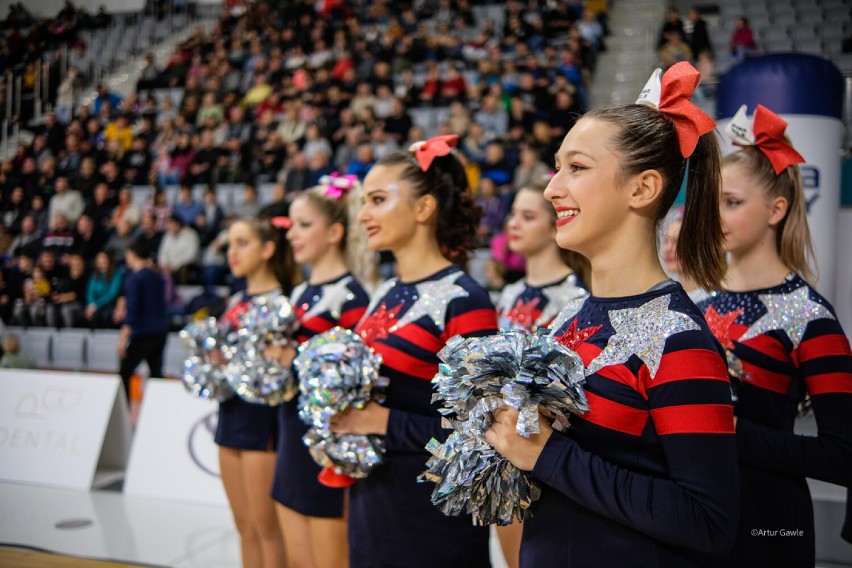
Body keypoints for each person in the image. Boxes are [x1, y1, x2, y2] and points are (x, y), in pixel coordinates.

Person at [486, 62, 739, 567]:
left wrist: (547, 455)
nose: (553, 188)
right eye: (558, 168)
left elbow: (709, 521)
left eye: (576, 168)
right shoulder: (568, 315)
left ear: (642, 189)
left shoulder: (677, 337)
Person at [329, 134, 499, 567]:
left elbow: (485, 435)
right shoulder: (386, 290)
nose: (364, 214)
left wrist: (383, 421)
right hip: (372, 504)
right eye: (364, 201)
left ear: (424, 208)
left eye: (378, 199)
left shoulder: (465, 299)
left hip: (431, 520)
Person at [700, 104, 852, 568]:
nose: (717, 215)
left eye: (733, 202)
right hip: (695, 514)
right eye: (713, 203)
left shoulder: (810, 317)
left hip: (768, 524)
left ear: (777, 208)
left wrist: (732, 433)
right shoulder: (695, 302)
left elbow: (843, 456)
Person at [271, 175, 376, 568]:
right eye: (291, 225)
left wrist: (294, 358)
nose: (292, 235)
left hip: (328, 443)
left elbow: (357, 380)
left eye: (304, 225)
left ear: (334, 232)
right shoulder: (299, 293)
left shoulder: (352, 296)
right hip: (289, 434)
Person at [213, 217, 296, 568]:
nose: (233, 252)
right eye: (230, 244)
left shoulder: (286, 302)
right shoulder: (234, 299)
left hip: (264, 422)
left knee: (267, 528)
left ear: (267, 249)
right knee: (244, 526)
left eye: (242, 243)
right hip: (230, 415)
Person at [118, 239, 168, 400]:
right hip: (159, 332)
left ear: (132, 254)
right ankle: (158, 410)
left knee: (125, 372)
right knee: (156, 375)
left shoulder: (134, 279)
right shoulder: (158, 277)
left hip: (142, 334)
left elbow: (133, 310)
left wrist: (123, 337)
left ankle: (124, 412)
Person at [662, 209, 709, 304]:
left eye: (677, 241)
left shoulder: (710, 297)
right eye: (666, 241)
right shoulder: (667, 297)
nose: (668, 249)